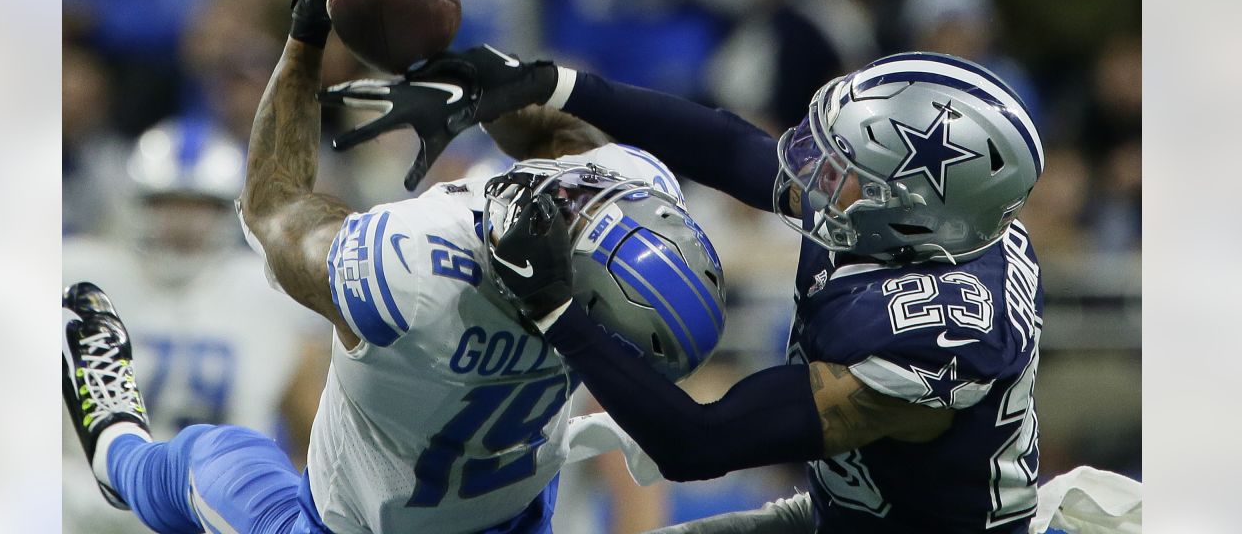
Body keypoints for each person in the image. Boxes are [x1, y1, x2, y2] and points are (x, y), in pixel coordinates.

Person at [61, 0, 726, 534]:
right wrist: (469, 82)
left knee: (219, 458)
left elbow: (272, 206)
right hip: (512, 520)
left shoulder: (411, 269)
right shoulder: (627, 208)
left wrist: (305, 41)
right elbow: (574, 144)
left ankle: (114, 438)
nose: (580, 190)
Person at [338, 43, 1047, 532]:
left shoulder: (935, 339)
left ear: (917, 213)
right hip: (845, 513)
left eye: (850, 166)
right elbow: (731, 147)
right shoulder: (913, 228)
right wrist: (553, 83)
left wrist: (556, 311)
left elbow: (697, 443)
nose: (818, 168)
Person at [62, 116, 328, 534]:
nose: (182, 223)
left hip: (215, 511)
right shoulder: (83, 274)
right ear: (137, 203)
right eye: (167, 203)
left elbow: (314, 439)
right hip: (89, 514)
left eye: (198, 206)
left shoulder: (269, 292)